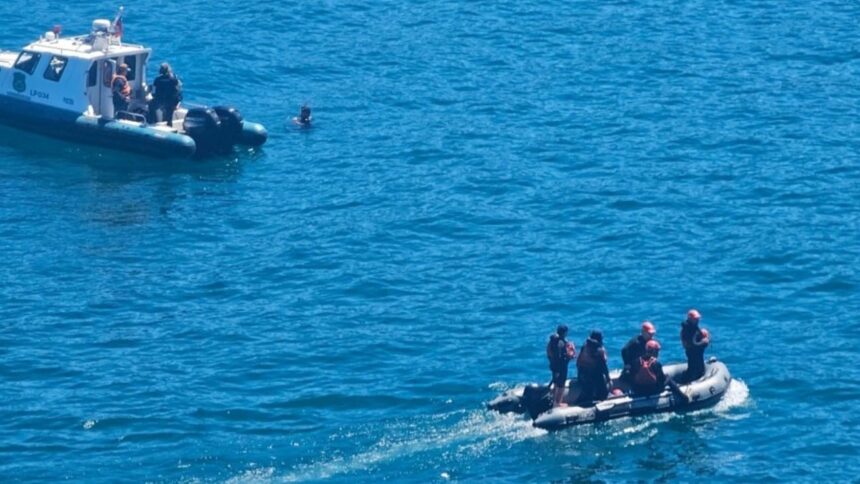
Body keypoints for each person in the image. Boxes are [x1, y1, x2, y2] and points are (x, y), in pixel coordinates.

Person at [576, 330, 610, 405]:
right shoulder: (599, 351)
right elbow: (604, 366)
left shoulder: (584, 346)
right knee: (603, 392)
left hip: (581, 374)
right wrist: (608, 379)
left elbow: (578, 362)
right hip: (592, 376)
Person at [546, 324, 576, 407]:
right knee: (561, 385)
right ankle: (558, 403)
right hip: (561, 367)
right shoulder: (561, 343)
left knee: (555, 383)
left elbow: (549, 353)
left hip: (553, 366)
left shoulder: (552, 341)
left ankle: (553, 400)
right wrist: (570, 355)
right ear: (564, 333)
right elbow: (561, 357)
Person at [680, 309, 710, 382]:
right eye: (695, 319)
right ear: (690, 319)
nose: (697, 320)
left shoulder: (693, 327)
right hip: (693, 352)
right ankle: (690, 381)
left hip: (695, 352)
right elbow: (693, 344)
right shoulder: (688, 330)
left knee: (698, 368)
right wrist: (703, 342)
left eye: (698, 319)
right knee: (694, 369)